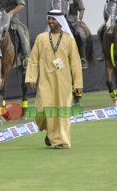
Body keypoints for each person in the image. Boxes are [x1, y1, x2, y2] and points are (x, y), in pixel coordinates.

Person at [25, 10, 83, 149]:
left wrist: (78, 83)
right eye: (49, 19)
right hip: (45, 80)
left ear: (60, 21)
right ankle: (50, 131)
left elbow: (75, 63)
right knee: (41, 110)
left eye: (53, 19)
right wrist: (31, 77)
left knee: (61, 111)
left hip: (63, 82)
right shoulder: (41, 38)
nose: (50, 21)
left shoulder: (69, 39)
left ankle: (61, 141)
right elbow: (33, 60)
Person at [55, 0, 88, 68]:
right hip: (60, 22)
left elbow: (82, 9)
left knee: (81, 35)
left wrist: (79, 20)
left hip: (72, 21)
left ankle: (82, 58)